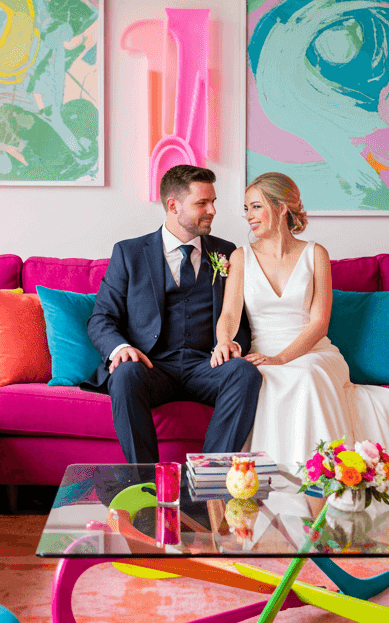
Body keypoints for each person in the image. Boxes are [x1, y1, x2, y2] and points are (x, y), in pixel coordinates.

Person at [211, 172, 389, 466]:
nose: (249, 216)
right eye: (246, 209)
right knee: (257, 379)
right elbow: (230, 313)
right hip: (262, 352)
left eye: (256, 206)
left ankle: (318, 481)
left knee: (307, 375)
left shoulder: (316, 254)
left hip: (313, 351)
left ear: (282, 206)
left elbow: (319, 323)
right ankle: (272, 485)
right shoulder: (240, 257)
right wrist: (224, 341)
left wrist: (282, 358)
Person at [86, 165, 263, 464]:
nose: (212, 211)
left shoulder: (227, 251)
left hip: (206, 364)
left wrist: (234, 345)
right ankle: (145, 484)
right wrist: (122, 348)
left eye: (214, 202)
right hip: (152, 365)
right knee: (124, 374)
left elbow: (240, 318)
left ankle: (208, 481)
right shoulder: (129, 253)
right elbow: (101, 318)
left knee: (244, 373)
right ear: (173, 205)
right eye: (202, 203)